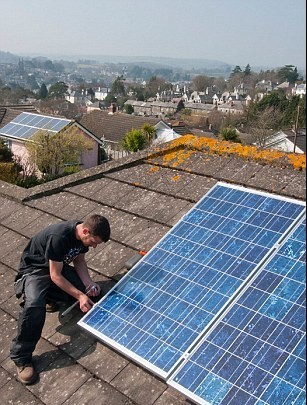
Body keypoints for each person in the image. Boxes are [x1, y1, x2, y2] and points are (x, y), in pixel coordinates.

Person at [10, 214, 111, 385]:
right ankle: (21, 357)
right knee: (34, 306)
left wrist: (88, 285)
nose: (94, 246)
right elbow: (55, 275)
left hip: (56, 268)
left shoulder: (83, 236)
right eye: (94, 241)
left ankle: (49, 295)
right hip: (35, 271)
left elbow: (79, 262)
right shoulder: (60, 237)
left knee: (92, 294)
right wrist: (79, 296)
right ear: (85, 231)